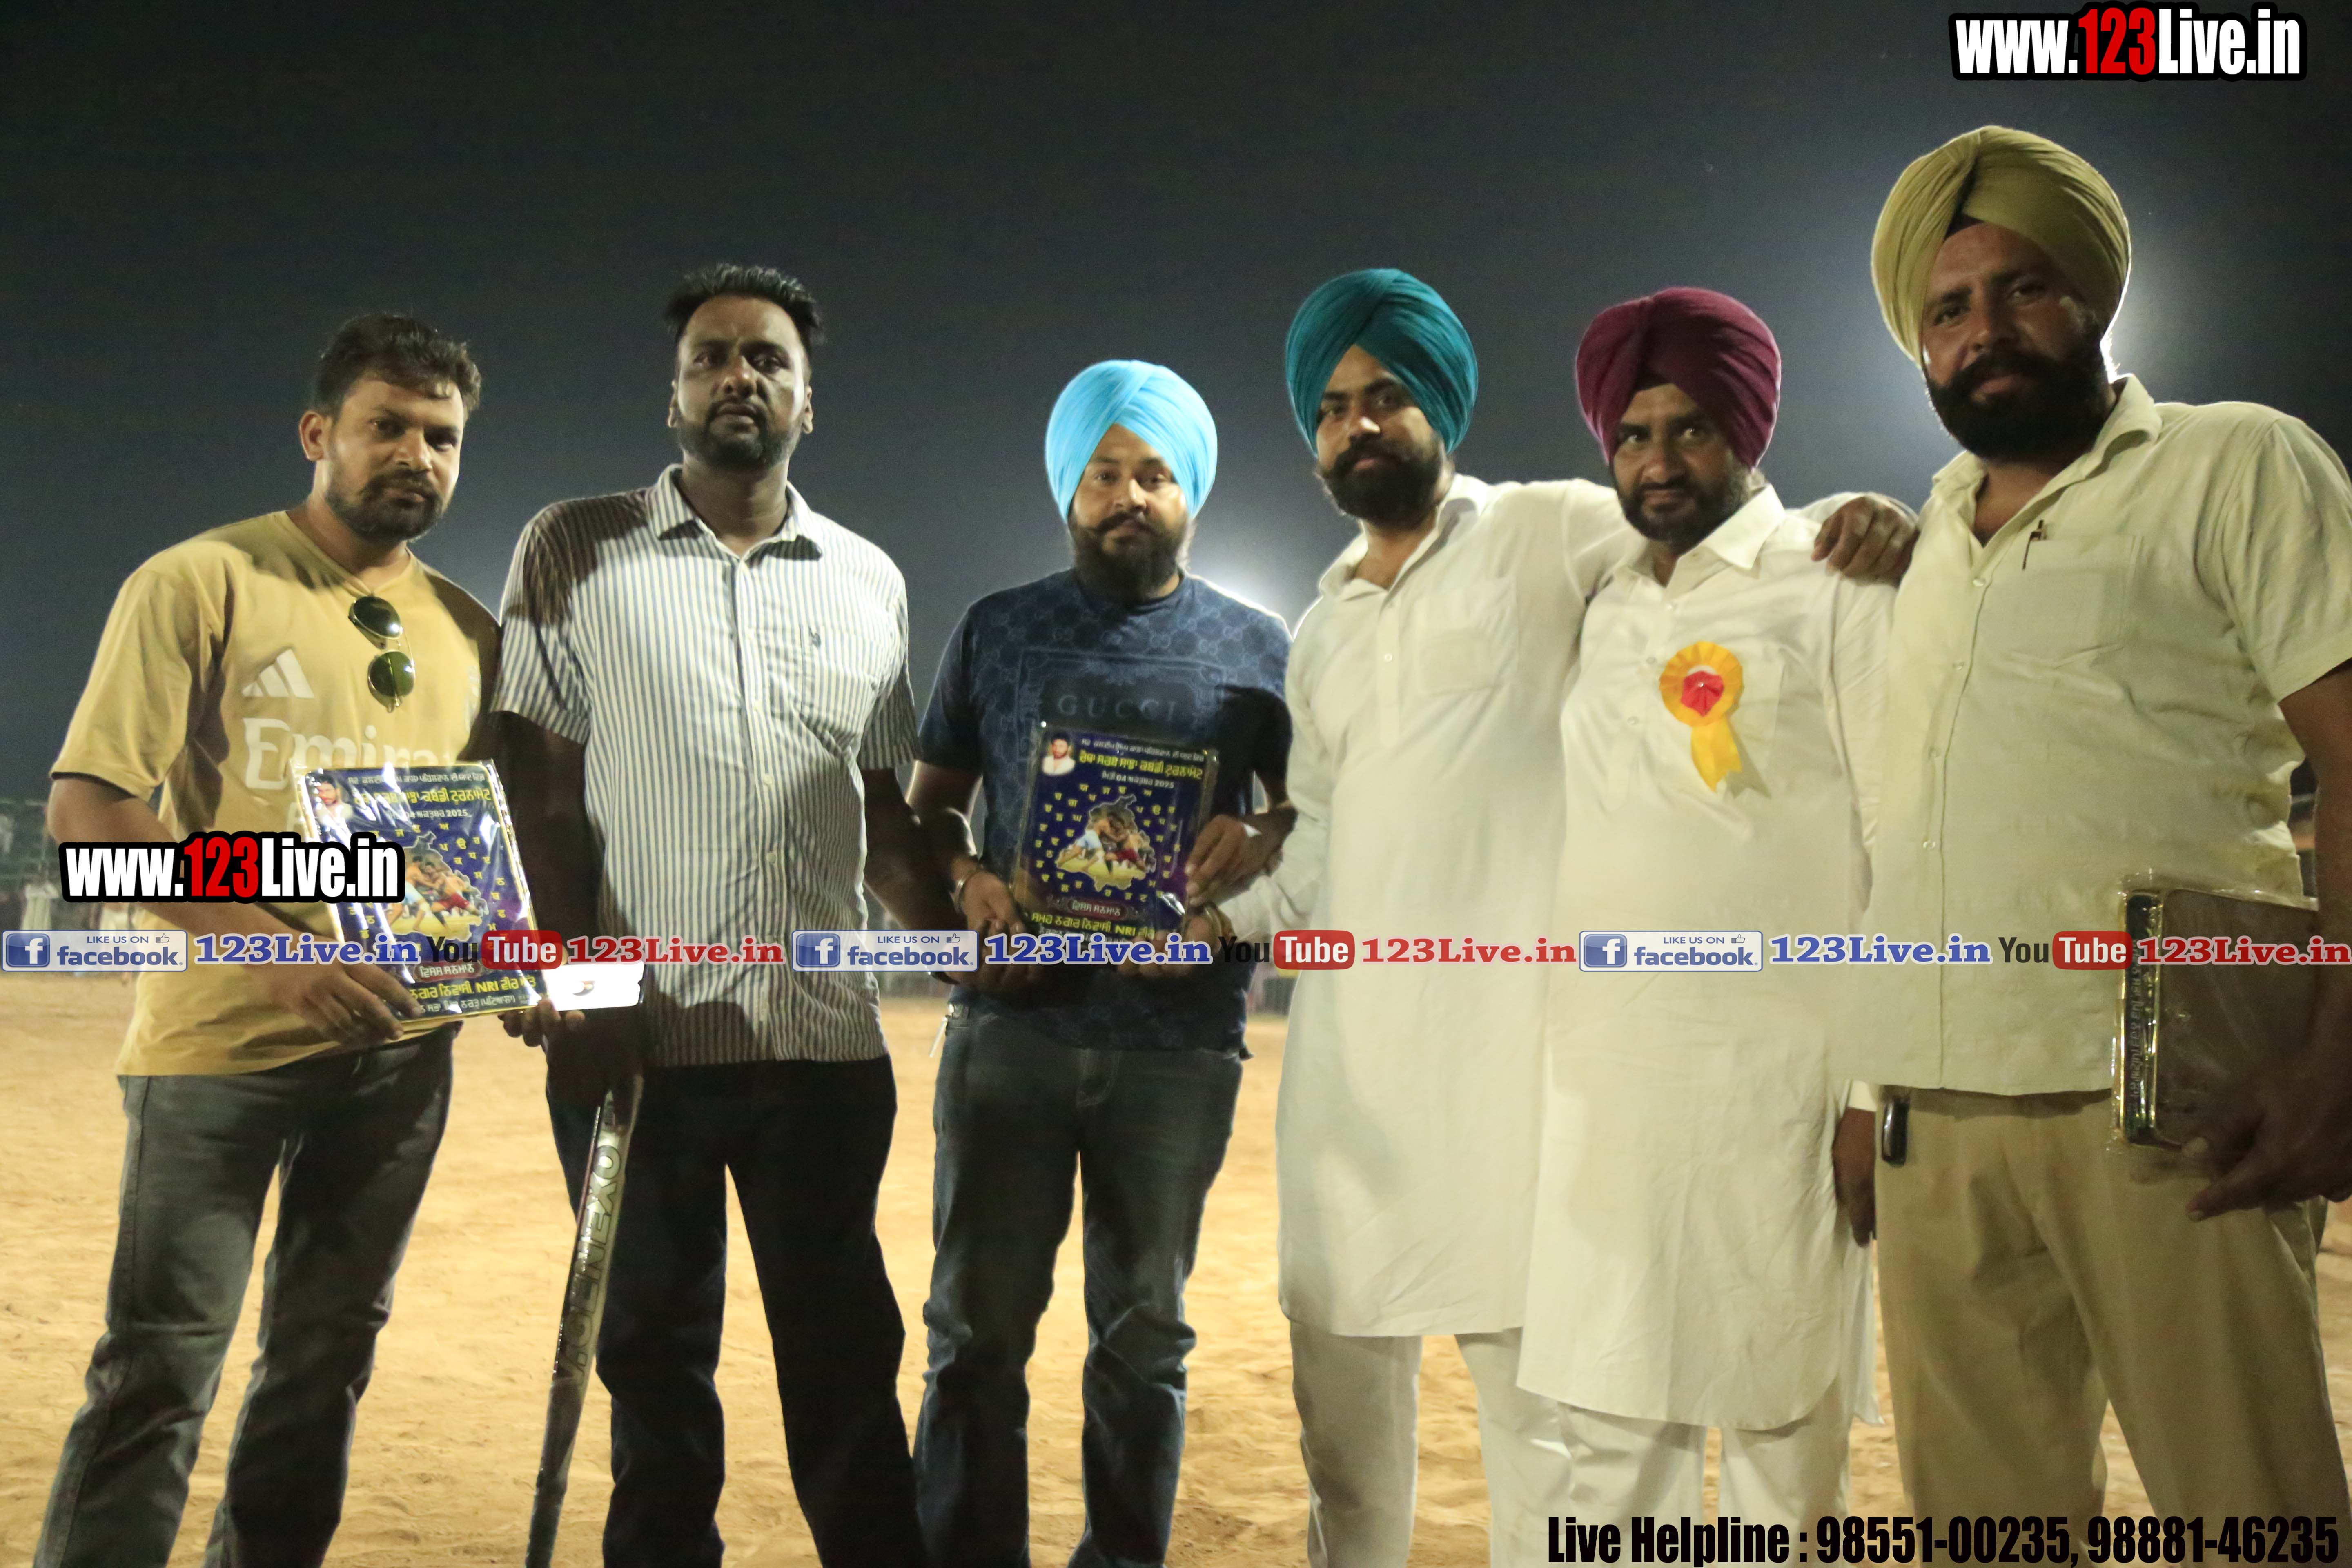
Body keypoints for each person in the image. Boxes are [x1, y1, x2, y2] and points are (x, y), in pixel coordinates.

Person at [1193, 269, 1915, 1568]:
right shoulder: (1329, 627)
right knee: (1405, 1446)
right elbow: (1330, 841)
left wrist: (1866, 520)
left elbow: (1736, 553)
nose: (1361, 424)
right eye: (1336, 406)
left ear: (1444, 407)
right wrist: (1221, 916)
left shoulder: (1549, 530)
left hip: (1571, 1089)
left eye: (1388, 395)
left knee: (1628, 1443)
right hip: (1428, 1091)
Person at [1850, 124, 2352, 1517]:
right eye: (1949, 310)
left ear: (2094, 299)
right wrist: (1867, 1090)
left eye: (2024, 289)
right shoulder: (1934, 537)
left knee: (2252, 1514)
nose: (1985, 331)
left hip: (2166, 1102)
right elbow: (1914, 833)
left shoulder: (2235, 464)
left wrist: (2339, 1055)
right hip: (1937, 1120)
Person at [494, 263, 954, 1568]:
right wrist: (578, 982)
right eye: (710, 357)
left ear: (808, 403)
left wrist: (972, 937)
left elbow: (882, 816)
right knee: (653, 1376)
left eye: (767, 359)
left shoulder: (869, 580)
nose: (737, 375)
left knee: (847, 1368)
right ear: (674, 395)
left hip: (823, 1050)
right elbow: (537, 784)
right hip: (637, 1051)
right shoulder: (572, 547)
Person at [36, 314, 496, 1568]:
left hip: (401, 1062)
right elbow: (90, 820)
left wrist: (506, 964)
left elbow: (457, 861)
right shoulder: (200, 581)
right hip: (215, 1056)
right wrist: (275, 949)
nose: (417, 455)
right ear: (317, 434)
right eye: (386, 426)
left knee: (325, 1364)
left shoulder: (469, 630)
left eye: (442, 436)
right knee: (159, 1371)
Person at [906, 359, 1292, 1568]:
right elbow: (931, 809)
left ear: (1194, 492)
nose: (1130, 496)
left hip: (1177, 1048)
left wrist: (1262, 839)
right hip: (1012, 1033)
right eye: (1105, 473)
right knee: (975, 1336)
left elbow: (1312, 818)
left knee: (1143, 1342)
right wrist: (968, 884)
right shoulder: (998, 629)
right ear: (1068, 488)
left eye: (1156, 474)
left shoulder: (1258, 648)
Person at [1515, 288, 1888, 1523]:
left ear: (1748, 432)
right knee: (1611, 1447)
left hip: (1779, 1092)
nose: (1659, 461)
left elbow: (1898, 835)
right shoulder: (1603, 600)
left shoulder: (1834, 578)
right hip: (1606, 1093)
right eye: (1633, 435)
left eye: (1690, 429)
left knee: (1785, 1444)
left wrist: (1870, 1093)